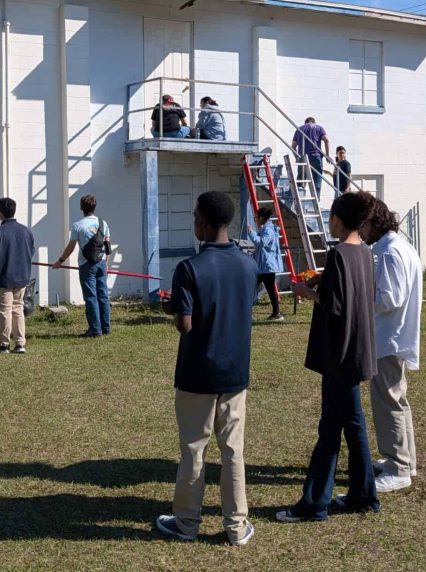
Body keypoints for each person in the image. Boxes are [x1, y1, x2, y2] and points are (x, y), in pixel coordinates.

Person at [154, 191, 258, 547]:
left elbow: (185, 324)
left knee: (194, 448)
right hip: (234, 372)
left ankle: (186, 523)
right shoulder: (248, 264)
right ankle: (235, 525)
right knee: (233, 450)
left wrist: (172, 306)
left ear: (203, 221)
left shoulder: (188, 268)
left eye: (194, 216)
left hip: (197, 373)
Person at [278, 192, 380, 522]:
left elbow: (334, 306)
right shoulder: (365, 251)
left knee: (336, 429)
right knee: (348, 424)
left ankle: (315, 504)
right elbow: (349, 294)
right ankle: (361, 496)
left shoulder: (338, 253)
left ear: (337, 219)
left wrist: (306, 291)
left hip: (339, 353)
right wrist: (321, 282)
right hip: (358, 349)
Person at [362, 198, 422, 494]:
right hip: (394, 336)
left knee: (388, 403)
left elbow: (390, 298)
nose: (360, 233)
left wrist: (361, 295)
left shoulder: (388, 252)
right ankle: (404, 461)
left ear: (374, 222)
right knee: (397, 401)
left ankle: (398, 466)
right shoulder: (398, 246)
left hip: (388, 337)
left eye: (362, 226)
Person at [0, 197, 36, 354]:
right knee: (18, 309)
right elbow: (31, 252)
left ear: (0, 213)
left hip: (3, 279)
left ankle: (4, 344)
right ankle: (20, 343)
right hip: (21, 278)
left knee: (5, 310)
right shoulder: (26, 231)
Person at [53, 194, 111, 337]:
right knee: (103, 296)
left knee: (91, 297)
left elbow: (71, 247)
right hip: (102, 263)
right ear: (94, 207)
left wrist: (60, 261)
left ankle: (95, 330)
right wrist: (106, 263)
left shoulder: (78, 225)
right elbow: (108, 245)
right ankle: (106, 327)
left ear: (81, 208)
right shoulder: (103, 223)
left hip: (86, 265)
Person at [245, 205, 284, 321]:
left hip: (266, 267)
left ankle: (276, 313)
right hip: (263, 266)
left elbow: (261, 242)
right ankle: (276, 313)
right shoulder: (266, 228)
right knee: (260, 289)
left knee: (256, 289)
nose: (255, 219)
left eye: (256, 217)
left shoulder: (268, 230)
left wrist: (251, 232)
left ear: (262, 218)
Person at [291, 117, 330, 199]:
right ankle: (316, 200)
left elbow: (293, 146)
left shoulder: (299, 129)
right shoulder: (319, 128)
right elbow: (327, 140)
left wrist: (297, 157)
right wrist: (327, 155)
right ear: (314, 122)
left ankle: (299, 198)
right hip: (315, 156)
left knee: (301, 177)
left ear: (305, 122)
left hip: (303, 157)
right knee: (316, 179)